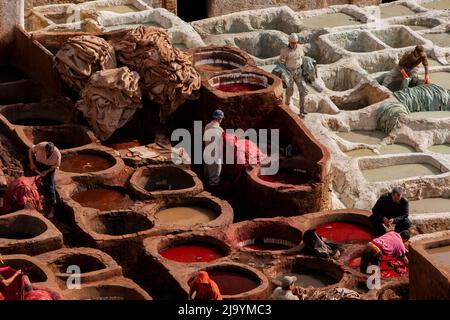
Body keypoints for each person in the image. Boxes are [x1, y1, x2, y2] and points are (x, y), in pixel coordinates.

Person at [278, 33, 309, 117]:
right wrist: (284, 74)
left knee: (303, 89)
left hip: (299, 71)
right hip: (289, 72)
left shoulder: (300, 48)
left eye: (295, 42)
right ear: (289, 42)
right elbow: (281, 63)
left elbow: (302, 58)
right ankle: (287, 107)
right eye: (292, 42)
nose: (294, 44)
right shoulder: (285, 50)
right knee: (289, 91)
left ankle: (302, 110)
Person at [28, 141, 61, 218]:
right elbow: (30, 150)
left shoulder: (57, 154)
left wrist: (46, 172)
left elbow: (55, 166)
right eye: (46, 151)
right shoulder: (41, 146)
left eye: (49, 152)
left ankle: (52, 208)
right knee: (32, 182)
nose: (47, 154)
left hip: (49, 168)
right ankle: (33, 202)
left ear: (53, 150)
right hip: (39, 164)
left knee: (50, 186)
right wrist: (32, 163)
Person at [204, 110, 225, 188]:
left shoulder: (207, 126)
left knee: (206, 175)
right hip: (215, 157)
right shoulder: (220, 130)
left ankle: (205, 188)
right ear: (219, 119)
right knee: (214, 180)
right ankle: (211, 195)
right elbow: (220, 146)